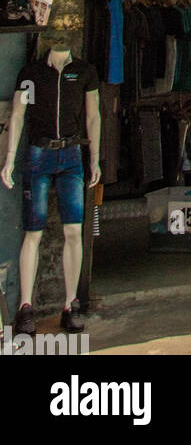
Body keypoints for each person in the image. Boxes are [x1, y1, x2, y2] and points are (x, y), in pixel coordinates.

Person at [1, 47, 101, 334]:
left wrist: (94, 158)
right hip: (38, 153)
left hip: (71, 155)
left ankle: (71, 304)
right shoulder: (31, 72)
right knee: (33, 232)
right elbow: (17, 115)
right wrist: (9, 158)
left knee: (73, 230)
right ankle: (25, 307)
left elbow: (93, 116)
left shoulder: (84, 71)